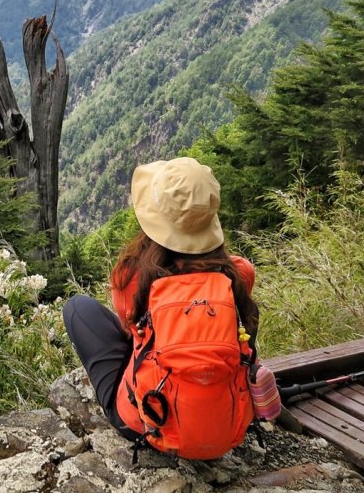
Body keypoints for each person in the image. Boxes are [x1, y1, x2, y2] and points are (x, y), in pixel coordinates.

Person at [63, 156, 259, 445]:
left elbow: (130, 331)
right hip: (227, 427)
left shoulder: (132, 279)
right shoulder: (239, 275)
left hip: (149, 421)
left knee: (78, 308)